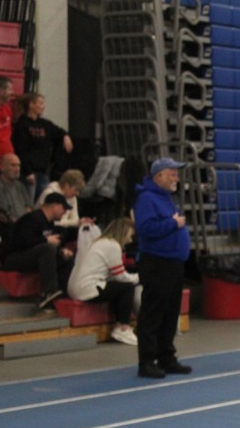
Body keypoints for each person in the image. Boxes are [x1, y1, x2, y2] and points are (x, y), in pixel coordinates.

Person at [134, 157, 192, 379]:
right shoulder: (147, 199)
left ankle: (166, 357)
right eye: (172, 174)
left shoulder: (165, 198)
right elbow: (146, 228)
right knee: (153, 313)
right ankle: (147, 361)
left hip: (172, 263)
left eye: (177, 174)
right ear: (158, 175)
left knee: (170, 313)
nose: (176, 178)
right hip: (157, 263)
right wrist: (173, 224)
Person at [67, 217, 140, 345]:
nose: (129, 240)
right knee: (127, 288)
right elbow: (121, 277)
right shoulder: (112, 245)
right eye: (130, 235)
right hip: (87, 287)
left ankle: (120, 325)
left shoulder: (99, 242)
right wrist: (140, 277)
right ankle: (123, 327)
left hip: (76, 287)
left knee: (118, 287)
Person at [0, 192, 74, 309]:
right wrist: (45, 240)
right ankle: (48, 292)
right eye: (63, 208)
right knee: (48, 248)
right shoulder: (31, 219)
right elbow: (22, 242)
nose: (65, 212)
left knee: (64, 257)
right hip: (13, 257)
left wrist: (61, 251)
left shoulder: (49, 223)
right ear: (54, 205)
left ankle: (65, 292)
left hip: (33, 256)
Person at [11, 92, 73, 199]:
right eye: (40, 103)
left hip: (43, 171)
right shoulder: (22, 124)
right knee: (28, 201)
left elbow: (59, 131)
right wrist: (27, 171)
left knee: (44, 200)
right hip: (29, 171)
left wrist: (65, 136)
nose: (43, 106)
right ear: (31, 105)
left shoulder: (44, 124)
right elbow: (21, 150)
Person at [0, 153, 32, 236]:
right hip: (7, 229)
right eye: (13, 165)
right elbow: (3, 217)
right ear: (2, 167)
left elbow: (28, 208)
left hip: (23, 227)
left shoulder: (20, 186)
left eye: (19, 165)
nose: (17, 169)